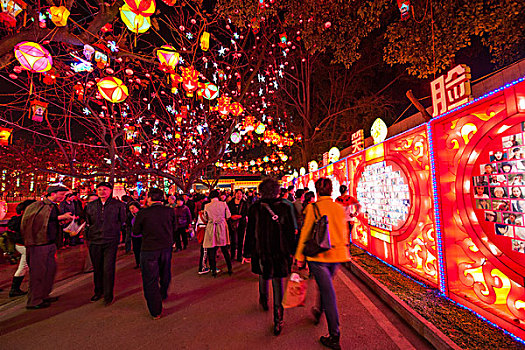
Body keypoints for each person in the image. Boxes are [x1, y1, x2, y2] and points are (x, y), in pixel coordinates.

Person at [295, 178, 350, 350]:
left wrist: (299, 256)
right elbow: (344, 231)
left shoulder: (313, 208)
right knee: (326, 287)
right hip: (337, 256)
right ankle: (319, 310)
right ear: (331, 191)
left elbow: (306, 232)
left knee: (329, 293)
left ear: (317, 191)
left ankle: (335, 335)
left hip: (319, 257)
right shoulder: (338, 207)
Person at [244, 178, 297, 336]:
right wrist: (293, 251)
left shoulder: (255, 208)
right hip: (279, 252)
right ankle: (278, 318)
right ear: (277, 190)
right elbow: (289, 232)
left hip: (262, 251)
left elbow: (251, 232)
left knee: (262, 273)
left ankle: (263, 298)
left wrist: (247, 252)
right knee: (277, 283)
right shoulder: (285, 207)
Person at [21, 184, 75, 309]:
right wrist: (60, 217)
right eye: (61, 194)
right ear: (53, 193)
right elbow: (36, 221)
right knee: (38, 273)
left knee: (49, 271)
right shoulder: (37, 206)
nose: (63, 197)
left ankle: (44, 295)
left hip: (50, 243)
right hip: (38, 244)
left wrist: (61, 221)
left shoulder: (53, 207)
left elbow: (50, 221)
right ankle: (34, 300)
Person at [132, 188, 176, 319]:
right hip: (166, 247)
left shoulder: (143, 213)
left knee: (150, 279)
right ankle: (162, 293)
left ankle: (156, 310)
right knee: (165, 271)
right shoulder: (169, 211)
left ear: (149, 198)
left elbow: (135, 231)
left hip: (149, 248)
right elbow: (174, 227)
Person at [84, 181, 127, 306]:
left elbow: (122, 220)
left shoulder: (118, 205)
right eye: (99, 189)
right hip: (94, 240)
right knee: (97, 268)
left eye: (105, 189)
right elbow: (88, 222)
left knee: (108, 268)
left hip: (110, 240)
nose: (102, 192)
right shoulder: (90, 206)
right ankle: (98, 291)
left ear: (110, 191)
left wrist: (115, 230)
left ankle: (108, 294)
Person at [7, 200, 36, 297]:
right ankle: (15, 289)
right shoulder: (24, 221)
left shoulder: (14, 220)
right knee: (24, 267)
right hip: (25, 245)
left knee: (24, 266)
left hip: (19, 245)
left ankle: (15, 288)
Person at [203, 189, 232, 277]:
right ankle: (230, 268)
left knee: (212, 250)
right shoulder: (223, 204)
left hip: (211, 227)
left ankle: (213, 270)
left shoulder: (207, 206)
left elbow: (205, 218)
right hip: (221, 227)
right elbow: (228, 215)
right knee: (224, 249)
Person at [227, 189, 248, 262]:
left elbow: (247, 212)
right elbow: (227, 212)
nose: (239, 195)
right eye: (237, 193)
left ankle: (239, 256)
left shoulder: (244, 203)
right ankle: (232, 255)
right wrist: (232, 217)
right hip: (232, 223)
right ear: (234, 194)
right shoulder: (230, 203)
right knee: (232, 239)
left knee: (240, 239)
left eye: (240, 194)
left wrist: (240, 216)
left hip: (241, 222)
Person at [126, 201, 142, 269]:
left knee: (142, 250)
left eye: (133, 208)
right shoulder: (129, 215)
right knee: (136, 250)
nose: (132, 210)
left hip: (142, 235)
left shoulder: (142, 214)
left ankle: (142, 264)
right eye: (130, 209)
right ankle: (138, 262)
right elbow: (128, 224)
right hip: (134, 235)